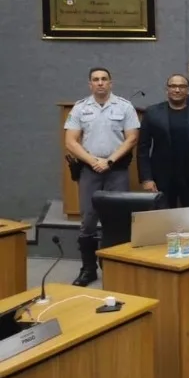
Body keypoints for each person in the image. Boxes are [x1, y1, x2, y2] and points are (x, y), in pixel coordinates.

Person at [64, 67, 140, 286]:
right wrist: (92, 161)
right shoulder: (80, 108)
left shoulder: (124, 106)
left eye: (104, 79)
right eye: (95, 80)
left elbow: (132, 138)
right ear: (90, 84)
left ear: (110, 83)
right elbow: (70, 141)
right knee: (88, 220)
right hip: (90, 171)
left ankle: (116, 267)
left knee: (118, 220)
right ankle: (88, 270)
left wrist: (109, 161)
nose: (100, 83)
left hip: (116, 170)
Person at [137, 74, 189, 209]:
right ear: (167, 90)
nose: (177, 90)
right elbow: (143, 147)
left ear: (188, 90)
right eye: (173, 86)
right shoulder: (152, 112)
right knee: (164, 221)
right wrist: (147, 178)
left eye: (182, 86)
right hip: (162, 178)